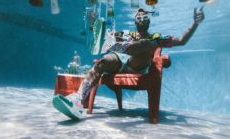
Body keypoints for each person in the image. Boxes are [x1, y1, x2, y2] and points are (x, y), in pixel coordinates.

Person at [54, 7, 205, 118]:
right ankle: (78, 100)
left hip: (138, 66)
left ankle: (120, 46)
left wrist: (195, 23)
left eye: (144, 15)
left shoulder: (156, 37)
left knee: (146, 43)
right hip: (120, 62)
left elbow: (181, 40)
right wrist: (95, 25)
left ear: (148, 20)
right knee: (102, 62)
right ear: (135, 21)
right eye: (138, 16)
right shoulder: (126, 33)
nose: (141, 17)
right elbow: (103, 33)